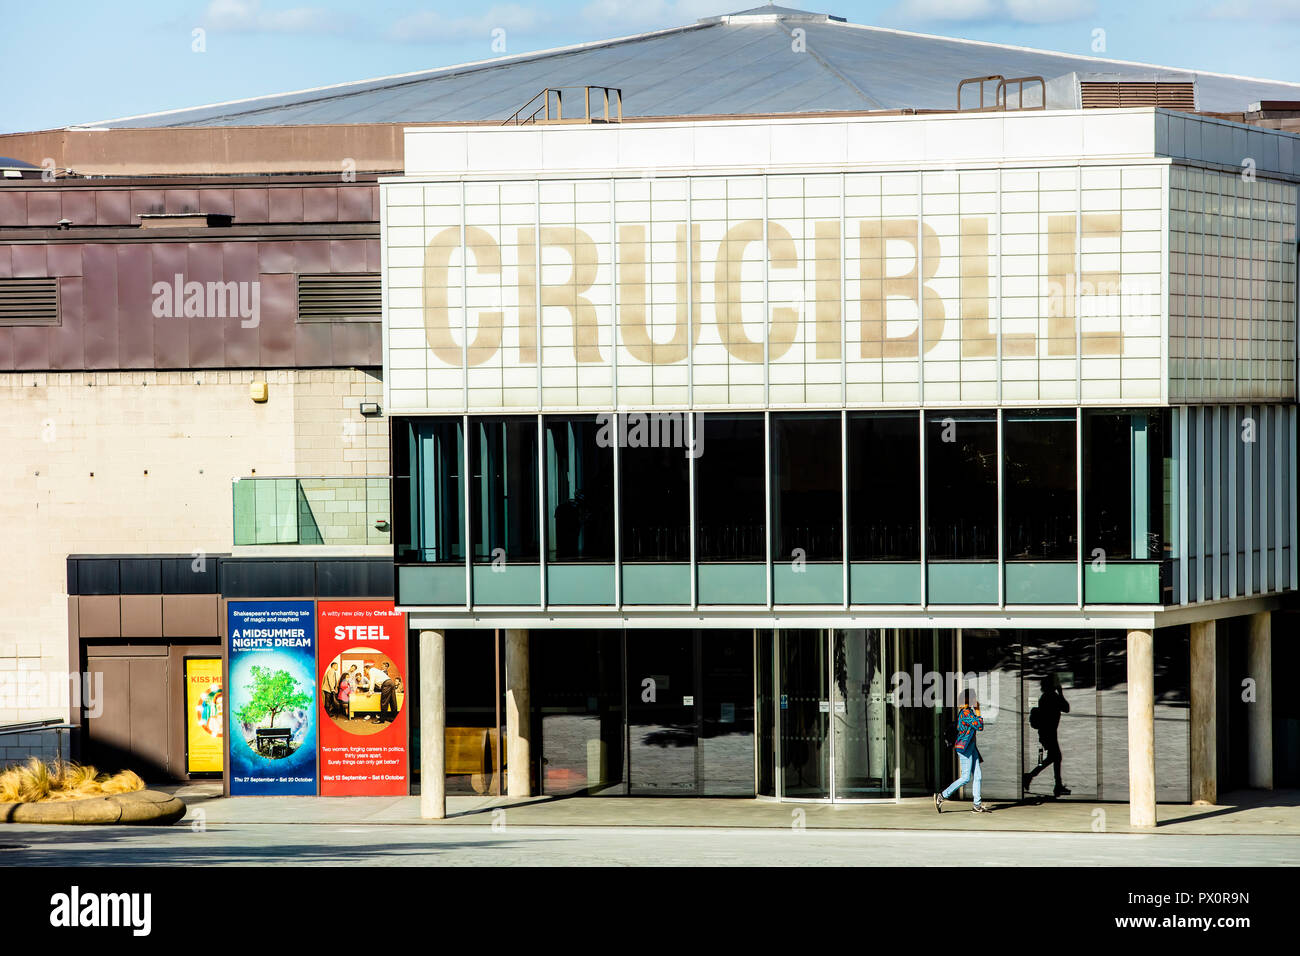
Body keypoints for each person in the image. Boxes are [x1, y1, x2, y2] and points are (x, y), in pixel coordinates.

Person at [936, 689, 990, 813]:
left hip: (971, 748)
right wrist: (978, 710)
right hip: (964, 748)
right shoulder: (966, 713)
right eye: (972, 699)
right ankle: (942, 796)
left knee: (978, 776)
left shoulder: (967, 712)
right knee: (965, 778)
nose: (975, 701)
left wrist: (975, 710)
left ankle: (977, 805)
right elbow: (979, 726)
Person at [1024, 675, 1071, 796]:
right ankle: (1055, 785)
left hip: (1047, 732)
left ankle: (1032, 777)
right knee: (1056, 757)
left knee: (1054, 757)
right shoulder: (1052, 696)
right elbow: (1066, 708)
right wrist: (1060, 692)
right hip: (1049, 733)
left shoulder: (1045, 697)